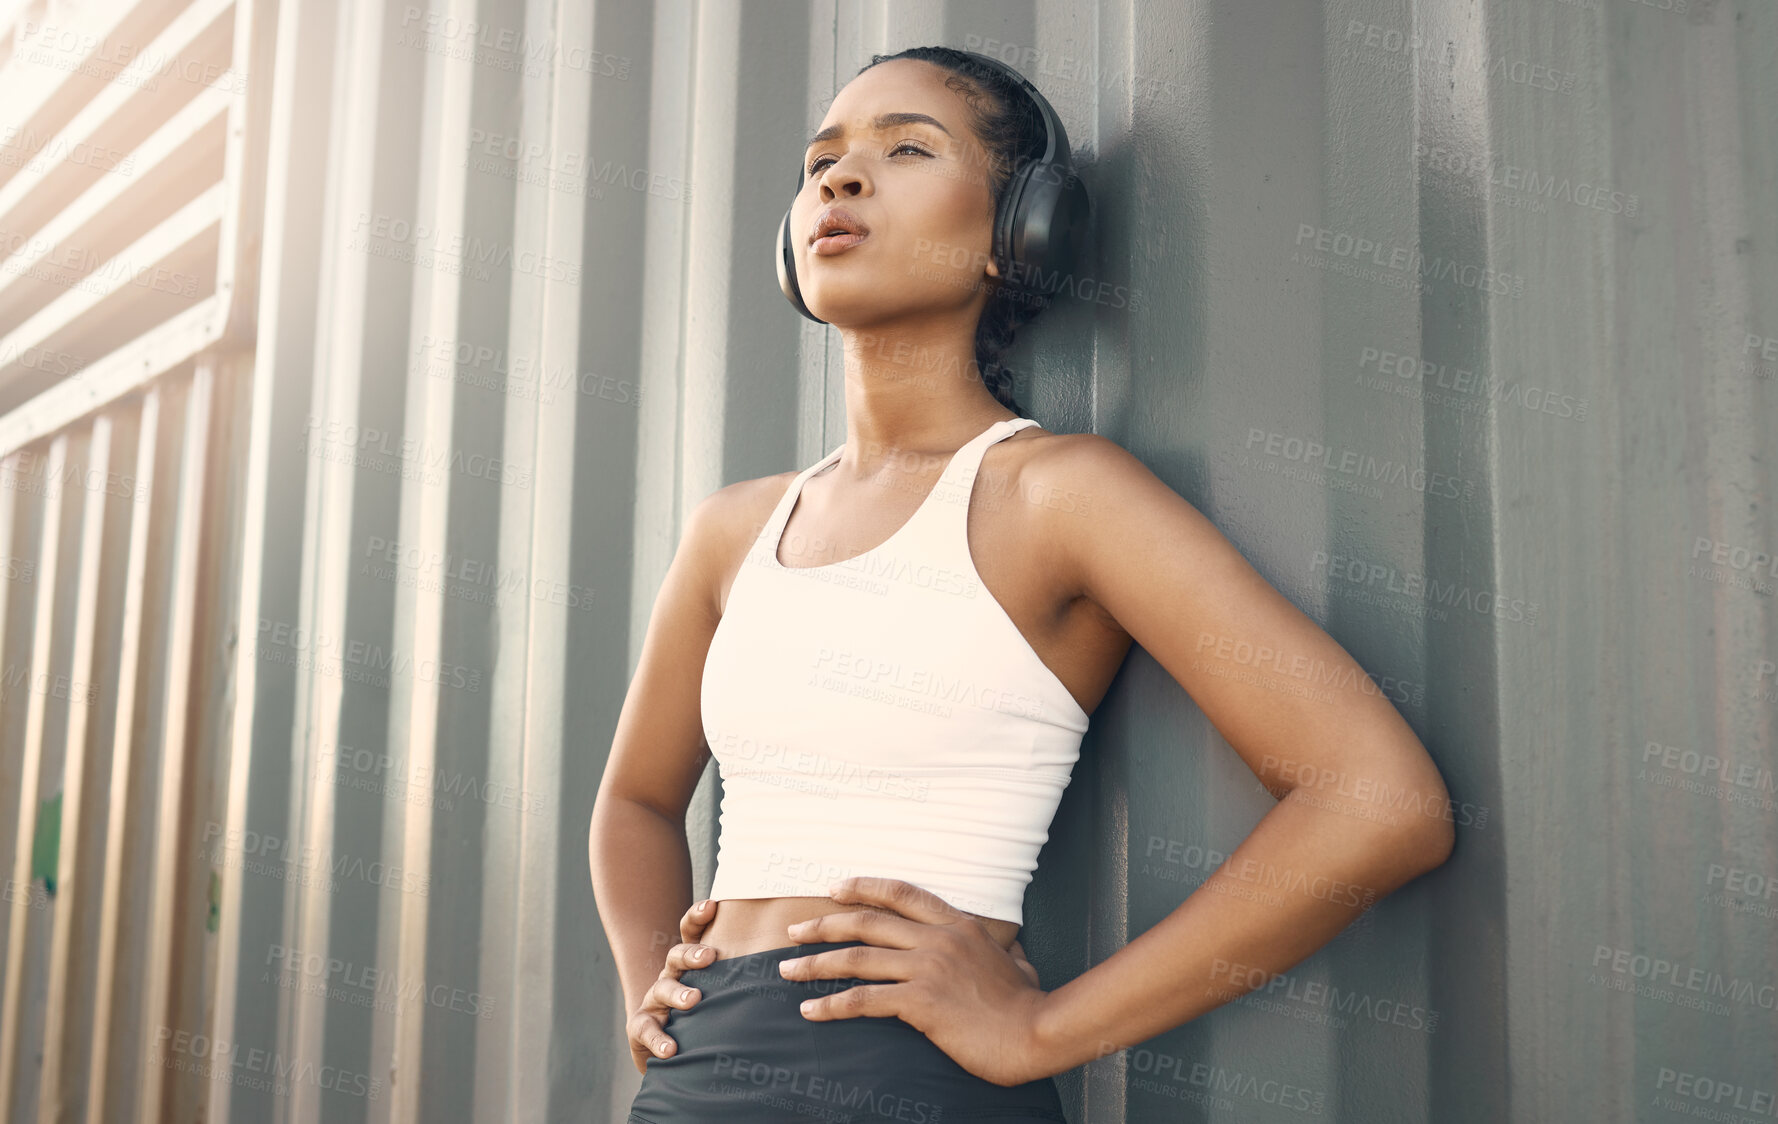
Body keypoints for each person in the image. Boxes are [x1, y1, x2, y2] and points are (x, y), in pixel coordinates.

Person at [592, 46, 1454, 1124]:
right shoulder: (732, 527)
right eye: (822, 160)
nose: (839, 178)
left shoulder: (1059, 495)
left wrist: (1042, 1029)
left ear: (1017, 233)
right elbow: (633, 801)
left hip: (906, 1082)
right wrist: (647, 991)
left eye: (906, 148)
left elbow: (1378, 800)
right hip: (691, 1080)